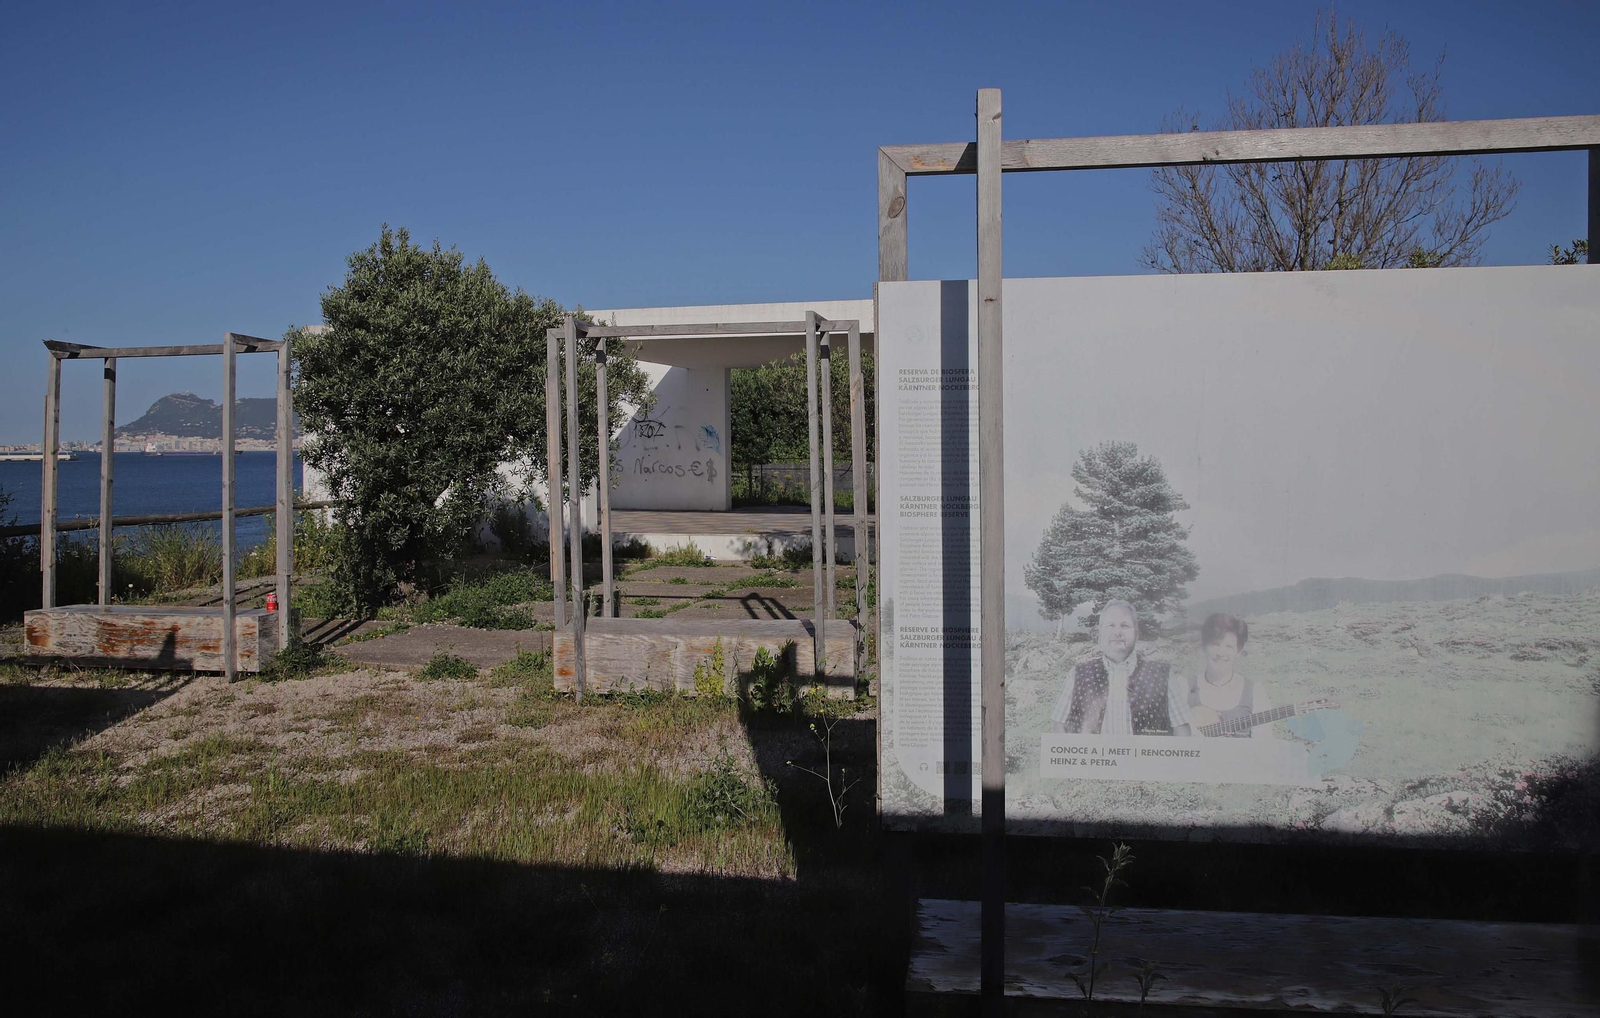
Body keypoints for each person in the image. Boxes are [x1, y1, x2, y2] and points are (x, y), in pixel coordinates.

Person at [1049, 599, 1192, 735]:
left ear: (1137, 634)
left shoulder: (1164, 675)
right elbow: (1059, 727)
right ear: (1099, 634)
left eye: (1125, 625)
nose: (1117, 632)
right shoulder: (1077, 674)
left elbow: (1182, 731)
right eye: (1111, 625)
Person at [1171, 613, 1275, 739]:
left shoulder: (1255, 692)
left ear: (1238, 651)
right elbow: (1176, 743)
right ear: (1204, 647)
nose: (1221, 653)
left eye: (1229, 646)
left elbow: (1263, 746)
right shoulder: (1184, 688)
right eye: (1215, 644)